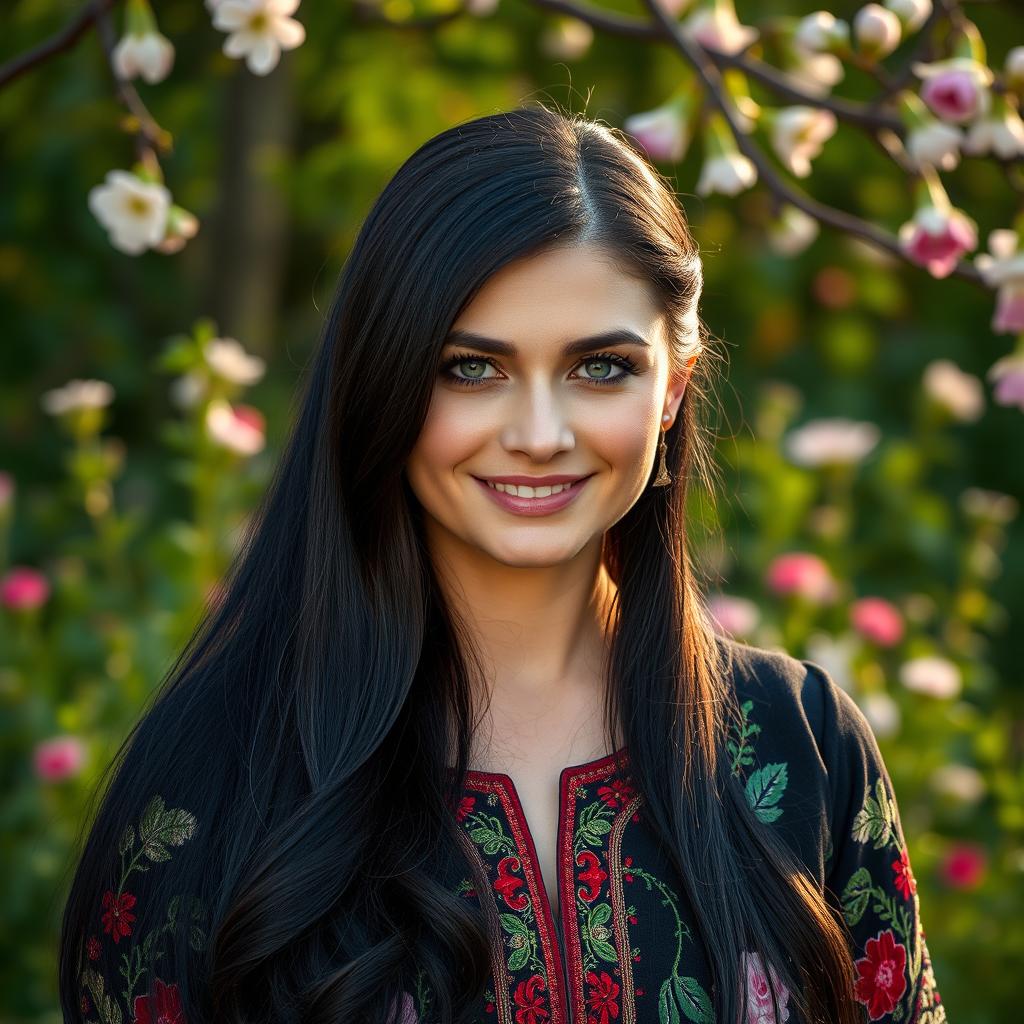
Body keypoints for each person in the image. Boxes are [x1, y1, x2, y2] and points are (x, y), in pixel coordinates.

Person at [58, 104, 947, 1024]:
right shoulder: (214, 777)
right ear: (386, 380)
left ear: (673, 388)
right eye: (471, 370)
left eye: (600, 368)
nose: (538, 435)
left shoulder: (802, 746)